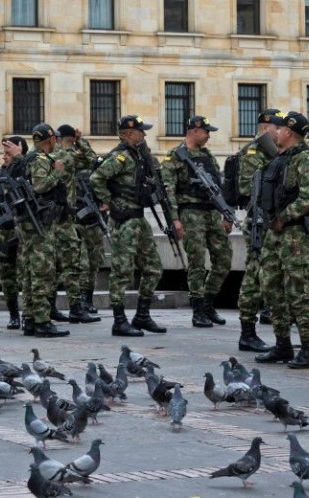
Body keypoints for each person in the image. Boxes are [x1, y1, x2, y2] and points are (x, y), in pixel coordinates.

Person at [256, 111, 309, 369]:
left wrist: (283, 218)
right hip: (275, 231)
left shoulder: (306, 159)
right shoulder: (281, 158)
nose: (275, 131)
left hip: (293, 232)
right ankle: (282, 343)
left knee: (297, 291)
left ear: (288, 132)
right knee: (270, 286)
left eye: (279, 128)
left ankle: (307, 348)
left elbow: (308, 198)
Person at [90, 115, 165, 337]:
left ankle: (142, 315)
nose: (145, 135)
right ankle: (119, 320)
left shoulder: (140, 156)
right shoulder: (121, 157)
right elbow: (96, 178)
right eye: (142, 131)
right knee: (122, 271)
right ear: (130, 134)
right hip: (124, 221)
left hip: (139, 218)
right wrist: (110, 202)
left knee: (153, 267)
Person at [161, 116, 232, 328]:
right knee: (197, 263)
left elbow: (218, 187)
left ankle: (208, 302)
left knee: (224, 260)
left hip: (211, 213)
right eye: (206, 131)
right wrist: (175, 219)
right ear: (193, 131)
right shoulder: (175, 156)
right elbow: (168, 191)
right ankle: (198, 309)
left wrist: (226, 215)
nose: (209, 135)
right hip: (190, 214)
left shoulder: (207, 154)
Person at [234, 109, 283, 352]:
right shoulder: (253, 153)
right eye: (278, 127)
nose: (281, 132)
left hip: (270, 221)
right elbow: (247, 187)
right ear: (266, 128)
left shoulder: (272, 152)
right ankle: (247, 332)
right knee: (254, 275)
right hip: (257, 222)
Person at [20, 123, 71, 338]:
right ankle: (42, 321)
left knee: (32, 273)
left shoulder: (28, 159)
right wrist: (57, 174)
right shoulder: (40, 161)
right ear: (50, 139)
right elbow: (40, 187)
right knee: (42, 272)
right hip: (39, 225)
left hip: (33, 224)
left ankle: (31, 318)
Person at [52, 124, 100, 325]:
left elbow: (90, 161)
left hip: (59, 217)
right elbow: (91, 159)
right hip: (61, 219)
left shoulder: (51, 155)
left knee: (54, 265)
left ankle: (53, 307)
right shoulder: (65, 156)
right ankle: (75, 308)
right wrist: (80, 142)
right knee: (70, 264)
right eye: (73, 140)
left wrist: (78, 141)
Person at [0, 137, 26, 331]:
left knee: (26, 275)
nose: (4, 156)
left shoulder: (28, 170)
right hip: (3, 233)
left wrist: (20, 159)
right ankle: (13, 314)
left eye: (8, 153)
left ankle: (29, 313)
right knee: (7, 276)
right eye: (3, 153)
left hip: (23, 234)